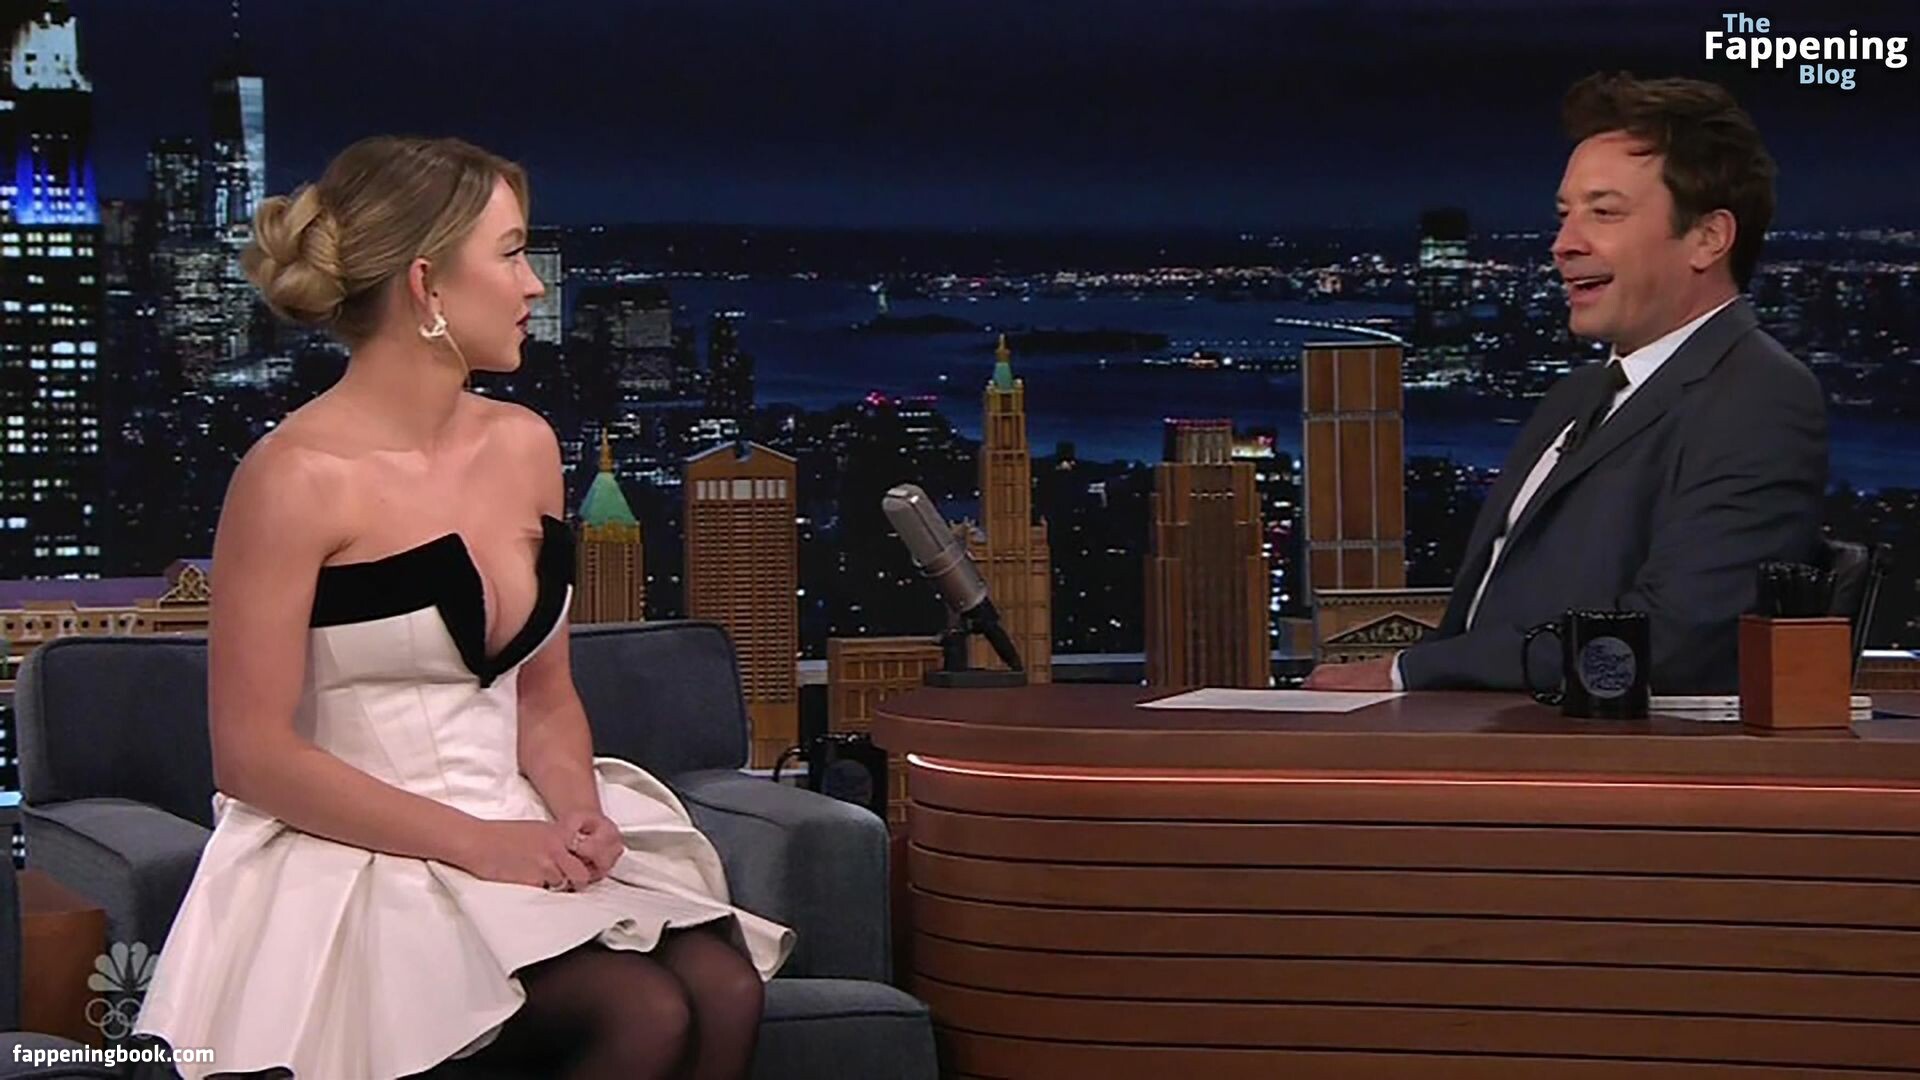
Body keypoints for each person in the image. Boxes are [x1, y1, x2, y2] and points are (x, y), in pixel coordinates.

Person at [131, 136, 792, 1080]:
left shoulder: (526, 447)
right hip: (355, 854)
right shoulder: (293, 479)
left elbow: (543, 697)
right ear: (427, 284)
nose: (534, 285)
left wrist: (577, 813)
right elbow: (253, 755)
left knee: (725, 987)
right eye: (512, 254)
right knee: (639, 1010)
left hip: (516, 828)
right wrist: (483, 846)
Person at [1306, 73, 1826, 694]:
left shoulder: (1760, 396)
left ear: (1708, 238)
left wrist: (1405, 673)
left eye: (1604, 213)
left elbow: (1670, 641)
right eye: (1564, 215)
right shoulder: (1576, 395)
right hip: (1472, 733)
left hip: (1600, 750)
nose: (1563, 244)